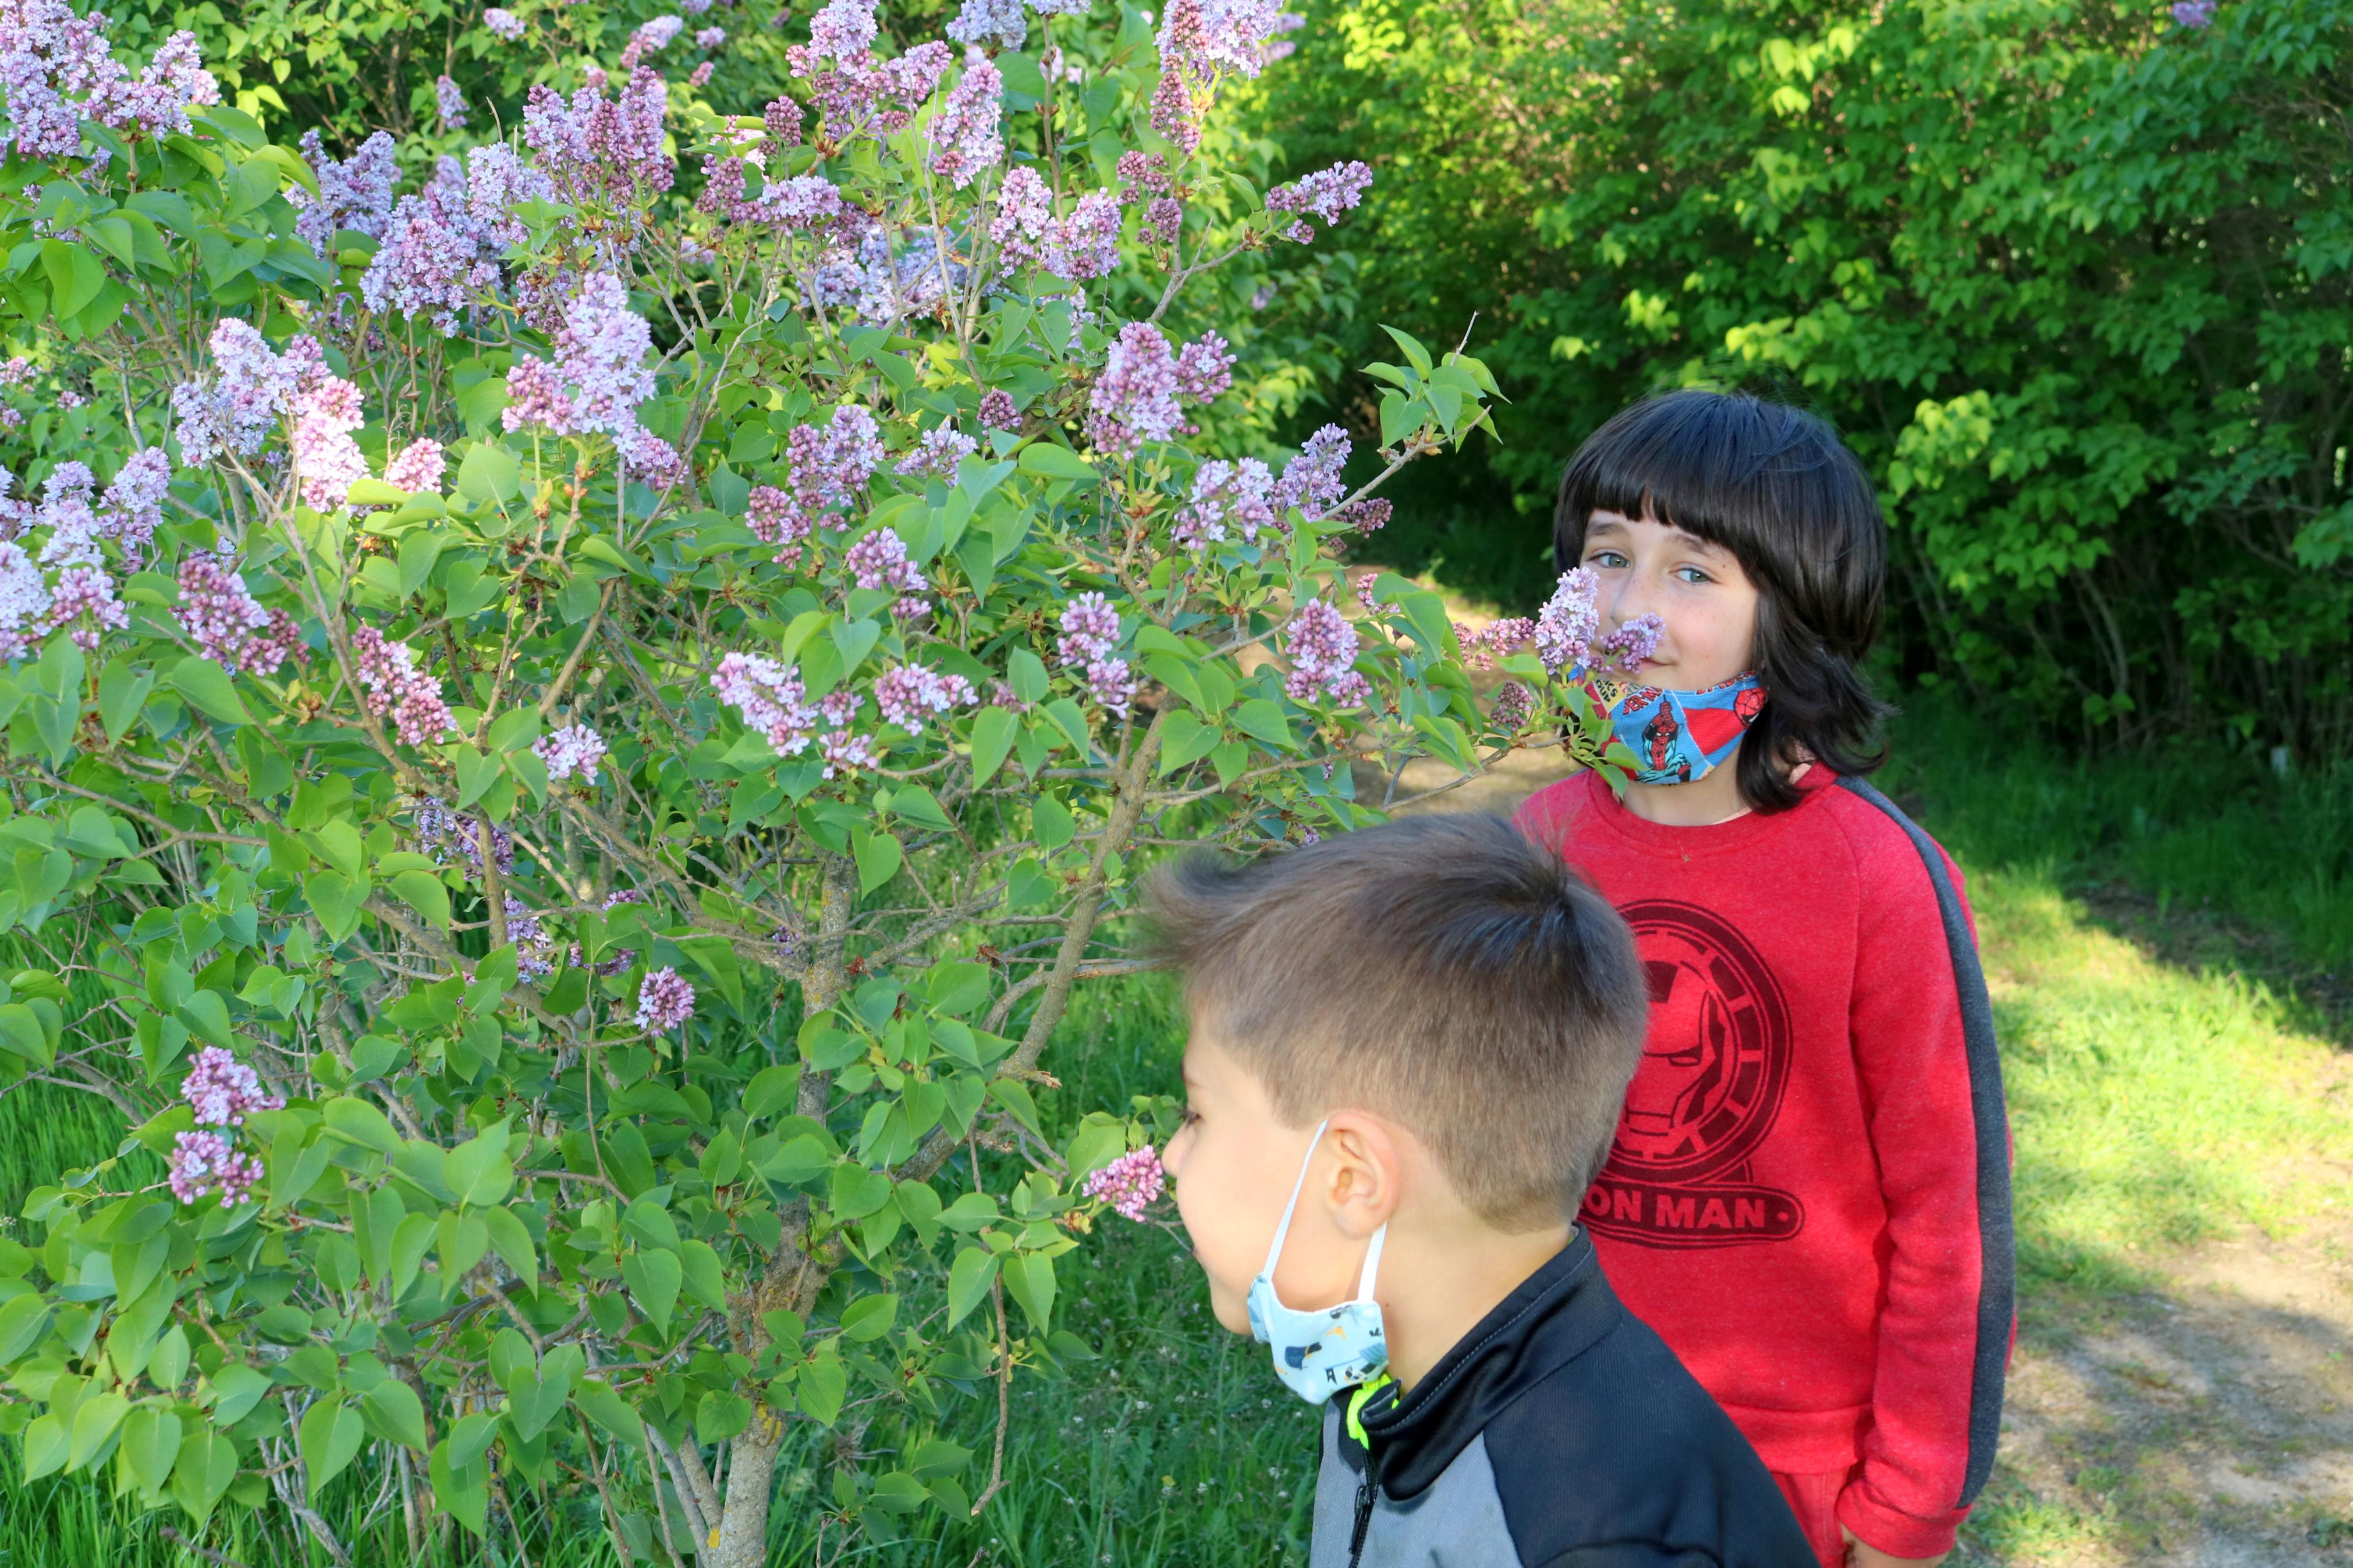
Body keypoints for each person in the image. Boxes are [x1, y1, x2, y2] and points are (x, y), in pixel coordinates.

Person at [1513, 390, 2014, 1568]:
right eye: (1606, 557)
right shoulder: (1532, 848)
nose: (1634, 608)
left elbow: (1951, 1222)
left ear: (1790, 611)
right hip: (1552, 1433)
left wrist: (1906, 1506)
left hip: (1785, 1473)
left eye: (1695, 573)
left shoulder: (1882, 880)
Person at [1151, 814, 1816, 1568]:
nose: (1172, 1156)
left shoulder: (1587, 1536)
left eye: (1196, 1113)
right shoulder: (1391, 1379)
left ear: (1350, 1178)